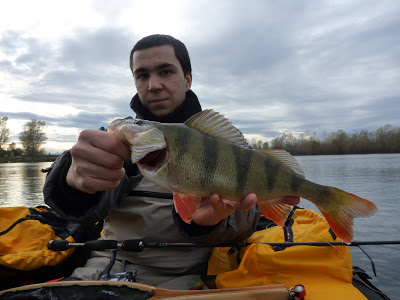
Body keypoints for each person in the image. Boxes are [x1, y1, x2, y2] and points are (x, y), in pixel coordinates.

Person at [43, 34, 260, 290]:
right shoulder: (119, 138)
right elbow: (79, 208)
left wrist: (205, 223)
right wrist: (74, 184)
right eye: (142, 75)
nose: (153, 85)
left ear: (188, 79)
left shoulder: (225, 144)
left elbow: (248, 219)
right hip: (103, 268)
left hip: (191, 278)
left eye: (165, 72)